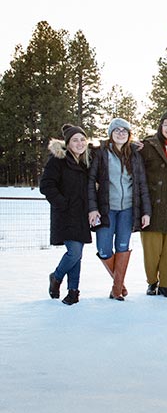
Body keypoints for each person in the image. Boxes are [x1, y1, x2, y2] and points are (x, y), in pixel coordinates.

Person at [88, 117, 151, 301]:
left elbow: (142, 185)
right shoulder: (101, 153)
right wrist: (93, 208)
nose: (121, 133)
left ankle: (116, 291)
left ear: (129, 134)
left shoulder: (135, 155)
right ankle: (120, 284)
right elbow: (91, 182)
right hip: (106, 209)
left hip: (128, 210)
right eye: (117, 130)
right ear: (110, 134)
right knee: (104, 249)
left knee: (123, 246)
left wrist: (145, 212)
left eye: (125, 130)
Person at [40, 124, 92, 305]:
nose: (79, 143)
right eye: (75, 140)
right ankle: (56, 276)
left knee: (78, 255)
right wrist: (62, 203)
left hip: (81, 214)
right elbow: (46, 185)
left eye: (82, 139)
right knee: (74, 253)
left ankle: (73, 291)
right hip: (65, 214)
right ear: (68, 143)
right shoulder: (58, 160)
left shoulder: (86, 162)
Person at [140, 108, 167, 298]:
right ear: (160, 126)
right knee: (151, 248)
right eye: (165, 125)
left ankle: (166, 284)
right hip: (151, 202)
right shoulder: (147, 145)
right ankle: (152, 282)